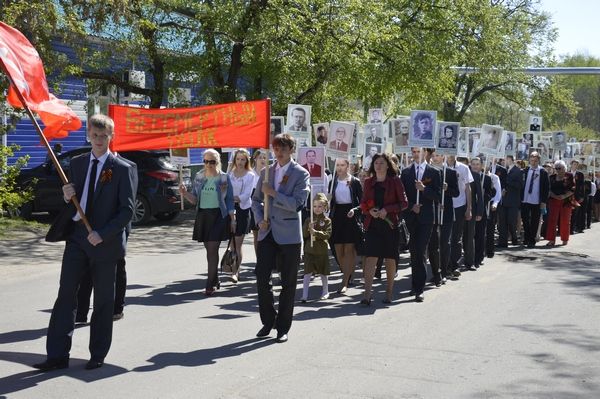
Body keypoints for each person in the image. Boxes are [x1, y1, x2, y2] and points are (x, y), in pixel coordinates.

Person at [33, 114, 136, 372]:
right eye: (95, 135)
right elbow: (73, 200)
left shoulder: (123, 168)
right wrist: (67, 196)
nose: (99, 140)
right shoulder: (78, 163)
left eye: (104, 136)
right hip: (78, 238)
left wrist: (103, 233)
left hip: (104, 242)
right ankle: (57, 355)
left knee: (102, 301)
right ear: (88, 135)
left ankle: (97, 353)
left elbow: (127, 211)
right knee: (65, 296)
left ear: (111, 137)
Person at [251, 134, 310, 343]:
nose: (279, 152)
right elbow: (256, 200)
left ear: (291, 150)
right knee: (261, 277)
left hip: (289, 236)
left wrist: (274, 194)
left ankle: (283, 327)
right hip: (267, 233)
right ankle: (268, 320)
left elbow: (298, 203)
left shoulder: (301, 173)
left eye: (283, 149)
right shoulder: (267, 172)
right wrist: (260, 220)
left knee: (288, 282)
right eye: (276, 149)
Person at [180, 149, 235, 295]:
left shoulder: (224, 178)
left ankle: (209, 284)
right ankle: (215, 278)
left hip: (218, 215)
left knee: (212, 249)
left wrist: (233, 219)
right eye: (205, 161)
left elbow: (229, 199)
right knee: (210, 251)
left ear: (217, 162)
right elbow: (195, 200)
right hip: (203, 216)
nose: (208, 164)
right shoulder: (199, 176)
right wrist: (185, 193)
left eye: (211, 161)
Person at [360, 153, 408, 304]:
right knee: (370, 258)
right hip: (373, 225)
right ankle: (367, 295)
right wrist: (369, 211)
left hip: (390, 225)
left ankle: (388, 292)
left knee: (389, 258)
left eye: (381, 163)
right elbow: (363, 203)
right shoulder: (368, 182)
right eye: (376, 163)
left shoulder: (395, 181)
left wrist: (387, 209)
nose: (378, 166)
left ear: (388, 165)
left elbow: (404, 203)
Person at [401, 147, 440, 301]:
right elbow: (402, 196)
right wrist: (411, 206)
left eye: (419, 152)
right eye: (414, 152)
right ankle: (414, 284)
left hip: (426, 219)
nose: (416, 154)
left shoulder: (434, 172)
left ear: (425, 153)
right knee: (413, 252)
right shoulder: (405, 172)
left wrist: (424, 190)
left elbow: (437, 196)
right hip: (411, 217)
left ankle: (419, 288)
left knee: (421, 251)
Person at [329, 158, 363, 293]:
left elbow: (362, 202)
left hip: (350, 215)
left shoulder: (355, 182)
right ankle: (347, 273)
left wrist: (354, 210)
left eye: (342, 165)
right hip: (337, 216)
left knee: (349, 249)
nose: (339, 168)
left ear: (348, 166)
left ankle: (345, 281)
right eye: (337, 165)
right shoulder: (333, 182)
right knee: (338, 250)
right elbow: (330, 203)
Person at [426, 148, 459, 285]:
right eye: (433, 155)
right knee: (434, 244)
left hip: (447, 212)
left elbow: (456, 192)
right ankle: (436, 272)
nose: (435, 158)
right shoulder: (428, 171)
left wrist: (447, 189)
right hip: (432, 211)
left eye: (438, 155)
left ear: (443, 157)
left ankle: (445, 271)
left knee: (445, 242)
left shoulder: (450, 173)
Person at [228, 149, 255, 283]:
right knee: (231, 243)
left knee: (237, 243)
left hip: (243, 210)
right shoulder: (230, 174)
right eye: (238, 159)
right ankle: (231, 267)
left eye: (242, 159)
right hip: (230, 209)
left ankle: (236, 272)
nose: (240, 162)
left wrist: (235, 198)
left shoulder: (250, 175)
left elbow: (247, 194)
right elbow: (225, 190)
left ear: (246, 161)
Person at [300, 193, 332, 302]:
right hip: (309, 250)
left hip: (321, 250)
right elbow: (304, 235)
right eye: (314, 206)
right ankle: (304, 295)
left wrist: (316, 232)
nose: (317, 209)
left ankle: (325, 291)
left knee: (323, 272)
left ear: (324, 207)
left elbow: (327, 234)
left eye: (319, 206)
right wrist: (308, 228)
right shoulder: (309, 219)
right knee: (307, 273)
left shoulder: (327, 221)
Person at [447, 155, 474, 278]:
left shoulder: (463, 168)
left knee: (456, 237)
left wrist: (469, 208)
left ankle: (455, 265)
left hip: (459, 205)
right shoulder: (440, 166)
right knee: (444, 237)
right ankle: (444, 266)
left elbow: (468, 188)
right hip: (445, 206)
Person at [520, 152, 549, 248]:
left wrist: (544, 202)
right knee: (525, 219)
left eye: (535, 161)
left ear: (538, 161)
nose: (533, 162)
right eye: (531, 160)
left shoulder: (543, 172)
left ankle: (532, 240)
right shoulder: (526, 170)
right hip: (525, 199)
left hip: (536, 200)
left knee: (534, 221)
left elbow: (546, 188)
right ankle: (527, 237)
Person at [546, 160, 575, 246]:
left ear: (564, 168)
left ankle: (565, 239)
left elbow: (573, 189)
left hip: (566, 200)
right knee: (552, 220)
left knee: (565, 220)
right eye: (556, 168)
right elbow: (548, 189)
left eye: (560, 168)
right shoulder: (551, 177)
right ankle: (551, 240)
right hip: (553, 200)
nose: (558, 170)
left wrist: (564, 196)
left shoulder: (569, 176)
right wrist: (554, 196)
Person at [497, 156, 522, 247]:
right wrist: (503, 188)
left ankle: (514, 237)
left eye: (505, 159)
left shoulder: (517, 171)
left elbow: (519, 185)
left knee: (511, 221)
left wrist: (508, 182)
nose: (504, 161)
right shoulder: (503, 171)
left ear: (510, 160)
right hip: (503, 200)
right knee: (502, 222)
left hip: (513, 201)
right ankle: (502, 242)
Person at [250, 149, 268, 253]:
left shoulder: (269, 173)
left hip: (266, 204)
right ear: (255, 158)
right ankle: (259, 260)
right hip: (254, 204)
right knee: (257, 235)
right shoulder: (250, 173)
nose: (262, 159)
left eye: (265, 157)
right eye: (260, 157)